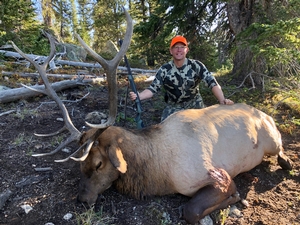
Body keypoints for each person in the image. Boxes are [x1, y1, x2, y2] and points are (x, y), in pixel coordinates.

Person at [129, 35, 234, 121]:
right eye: (176, 47)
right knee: (164, 133)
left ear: (187, 50)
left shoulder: (196, 65)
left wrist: (222, 100)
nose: (179, 50)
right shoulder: (165, 69)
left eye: (182, 47)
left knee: (207, 130)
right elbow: (153, 89)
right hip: (173, 107)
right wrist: (139, 96)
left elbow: (212, 83)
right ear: (171, 51)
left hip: (195, 105)